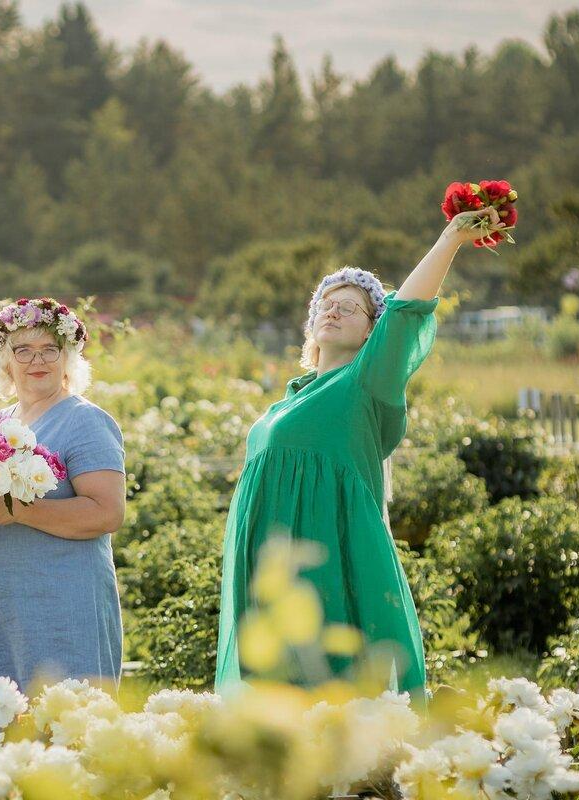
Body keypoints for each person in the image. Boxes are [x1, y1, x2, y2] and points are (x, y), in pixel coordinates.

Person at [214, 208, 504, 694]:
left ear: (372, 331)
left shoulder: (367, 383)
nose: (333, 310)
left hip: (328, 554)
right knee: (270, 688)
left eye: (349, 307)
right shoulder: (289, 397)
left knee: (327, 680)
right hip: (268, 565)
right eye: (326, 304)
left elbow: (407, 311)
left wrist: (451, 238)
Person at [0, 298, 126, 687]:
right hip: (6, 611)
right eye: (23, 351)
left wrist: (20, 513)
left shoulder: (86, 422)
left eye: (50, 350)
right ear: (6, 363)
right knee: (15, 733)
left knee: (70, 726)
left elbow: (107, 513)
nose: (37, 361)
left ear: (67, 360)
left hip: (64, 607)